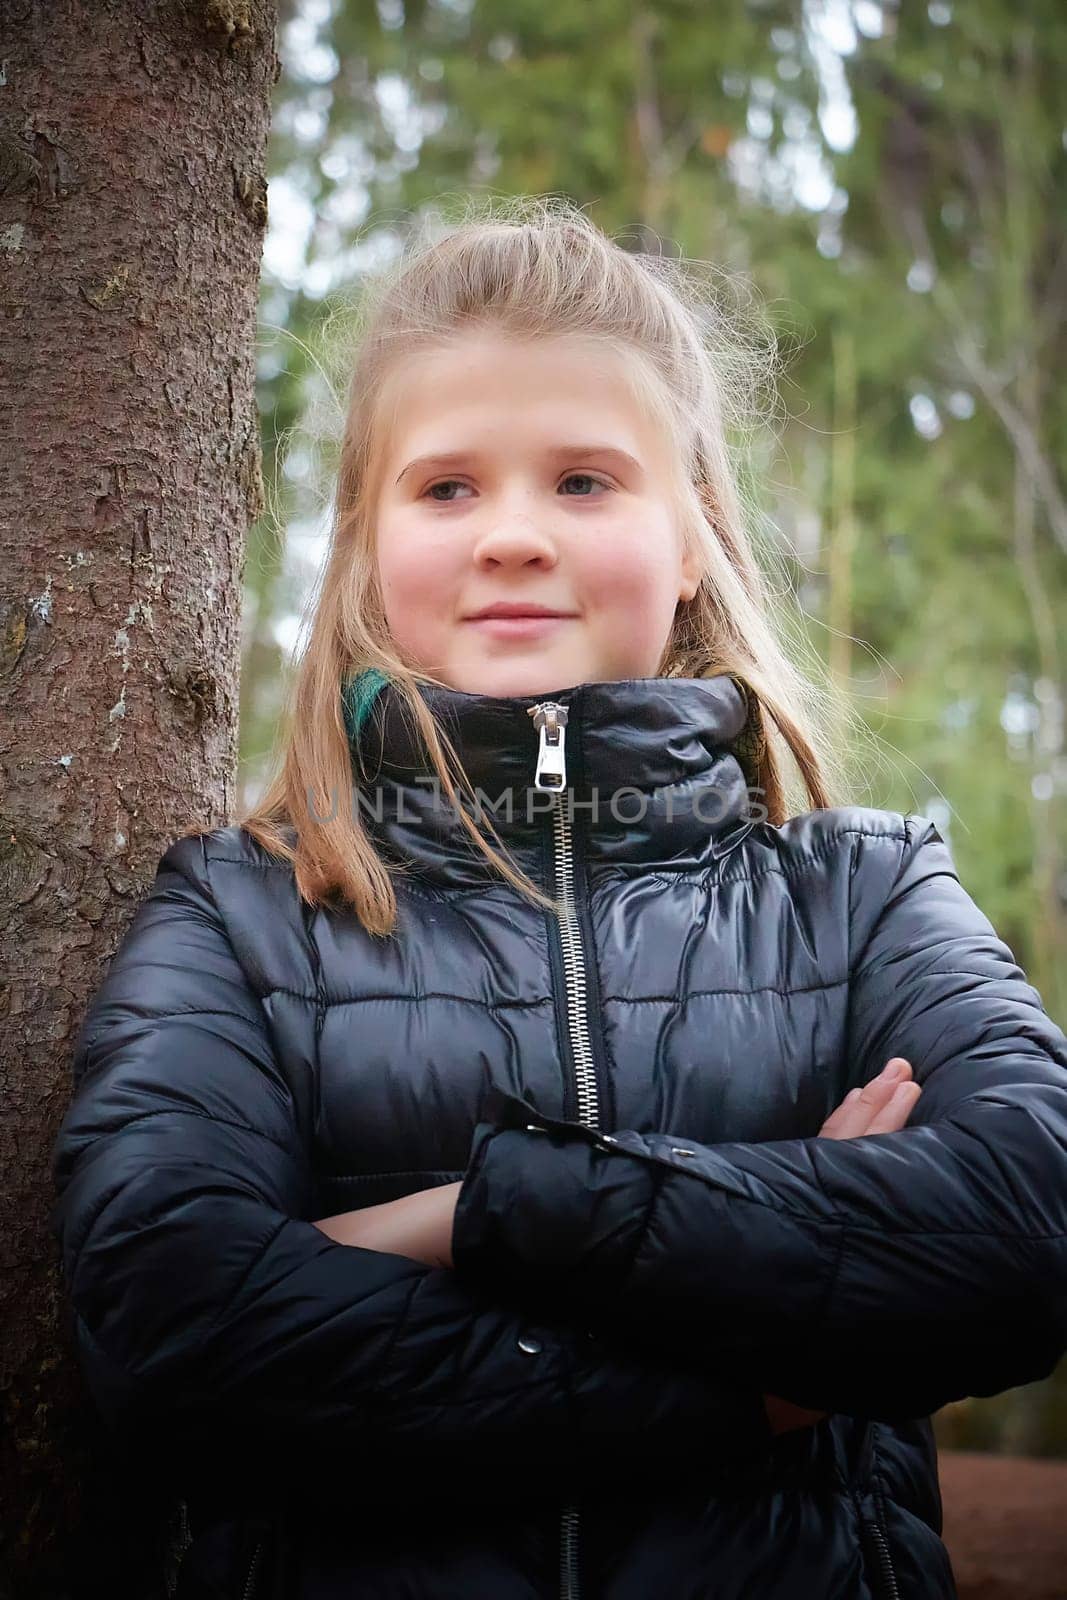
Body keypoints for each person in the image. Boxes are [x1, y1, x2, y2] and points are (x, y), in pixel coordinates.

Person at [51, 198, 1067, 1600]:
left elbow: (1025, 1236)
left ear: (697, 535)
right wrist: (770, 1379)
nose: (515, 534)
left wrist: (476, 1213)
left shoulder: (869, 894)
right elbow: (177, 1337)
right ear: (364, 547)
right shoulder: (240, 914)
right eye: (448, 487)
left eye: (585, 481)